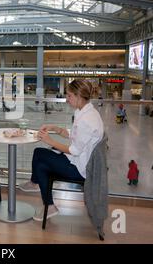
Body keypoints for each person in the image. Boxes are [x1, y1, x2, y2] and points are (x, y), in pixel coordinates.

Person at [18, 79, 104, 221]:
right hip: (79, 161)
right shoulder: (85, 112)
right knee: (41, 164)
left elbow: (74, 150)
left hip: (80, 169)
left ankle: (35, 184)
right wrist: (55, 128)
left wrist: (49, 140)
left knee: (39, 153)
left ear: (79, 96)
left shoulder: (87, 120)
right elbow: (75, 134)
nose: (67, 100)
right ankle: (47, 203)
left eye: (69, 96)